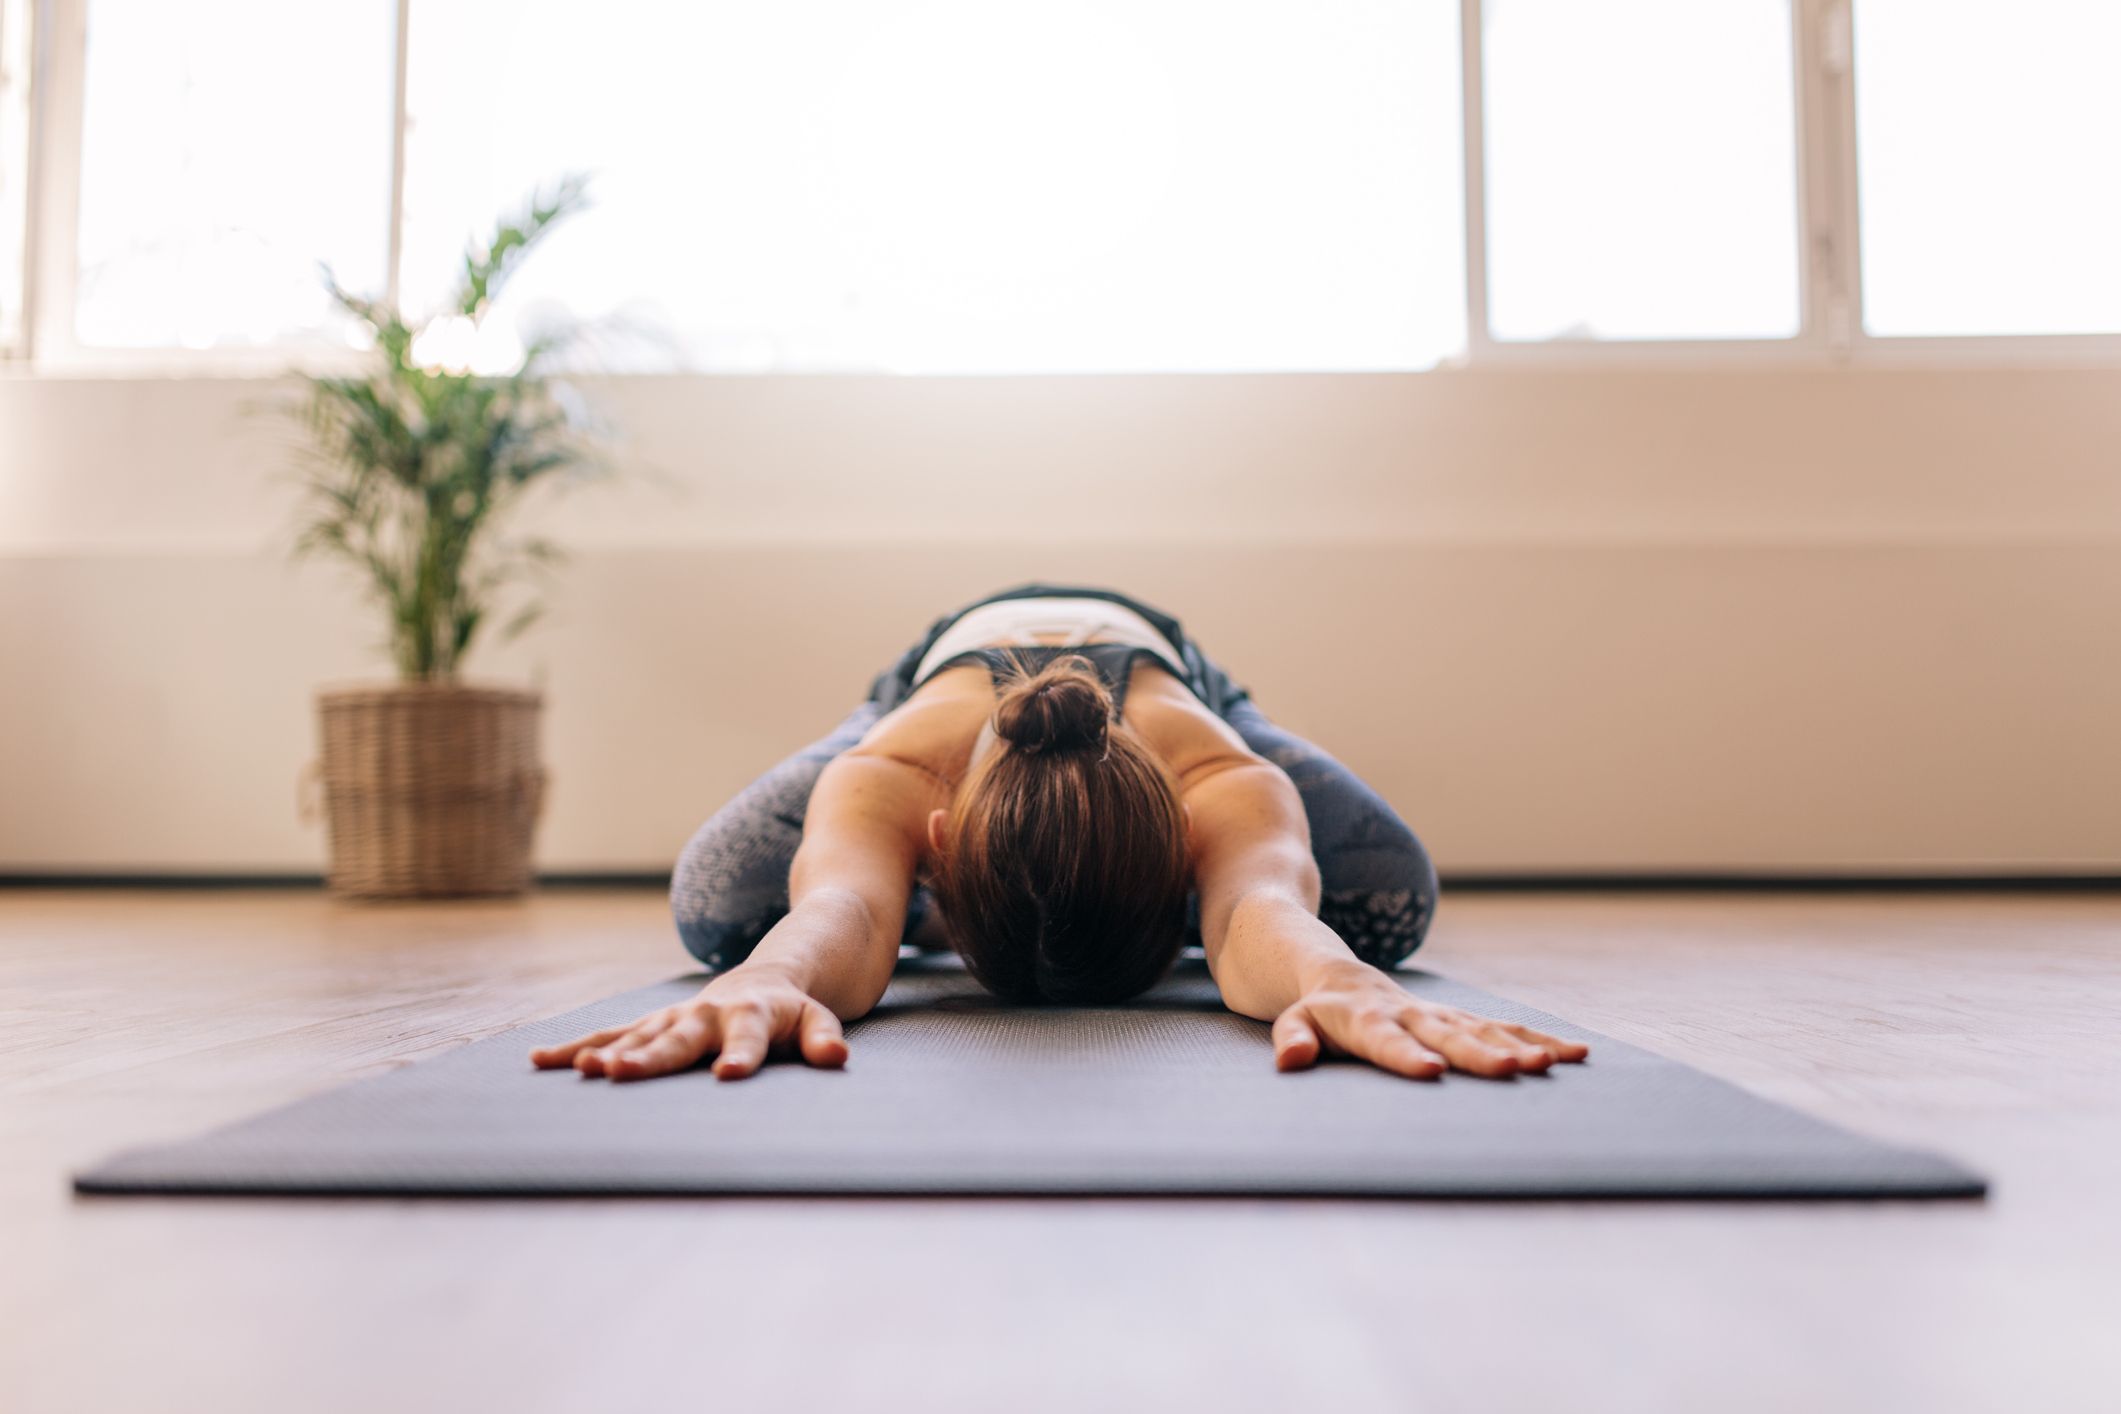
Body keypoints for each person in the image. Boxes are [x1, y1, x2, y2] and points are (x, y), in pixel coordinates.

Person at [531, 582, 1587, 1083]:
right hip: (936, 678)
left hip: (1175, 672)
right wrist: (772, 974)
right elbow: (841, 909)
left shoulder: (1215, 770)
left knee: (1386, 901)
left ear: (1188, 846)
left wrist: (1334, 977)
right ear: (933, 843)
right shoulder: (896, 766)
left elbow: (1256, 908)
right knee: (721, 909)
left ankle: (1033, 895)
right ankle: (1005, 893)